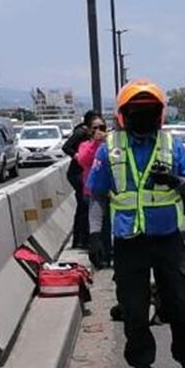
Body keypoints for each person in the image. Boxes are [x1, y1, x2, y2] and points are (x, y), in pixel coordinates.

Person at [86, 80, 185, 368]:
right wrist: (95, 236)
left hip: (167, 239)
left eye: (149, 111)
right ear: (123, 115)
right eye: (136, 112)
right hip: (129, 242)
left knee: (180, 304)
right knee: (134, 311)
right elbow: (97, 196)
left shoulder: (172, 145)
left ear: (160, 114)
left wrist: (175, 180)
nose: (143, 117)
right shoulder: (109, 148)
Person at [76, 115, 111, 268]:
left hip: (111, 191)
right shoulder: (85, 145)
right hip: (93, 191)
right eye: (95, 128)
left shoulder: (112, 144)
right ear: (89, 130)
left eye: (102, 128)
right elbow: (83, 160)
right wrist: (96, 144)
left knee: (109, 225)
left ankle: (109, 253)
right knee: (98, 225)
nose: (98, 131)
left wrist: (106, 142)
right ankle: (99, 255)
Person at [63, 110, 99, 249]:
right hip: (77, 173)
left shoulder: (90, 134)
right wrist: (77, 155)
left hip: (83, 172)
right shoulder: (81, 133)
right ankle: (81, 240)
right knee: (84, 206)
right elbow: (66, 147)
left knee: (83, 207)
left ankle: (80, 239)